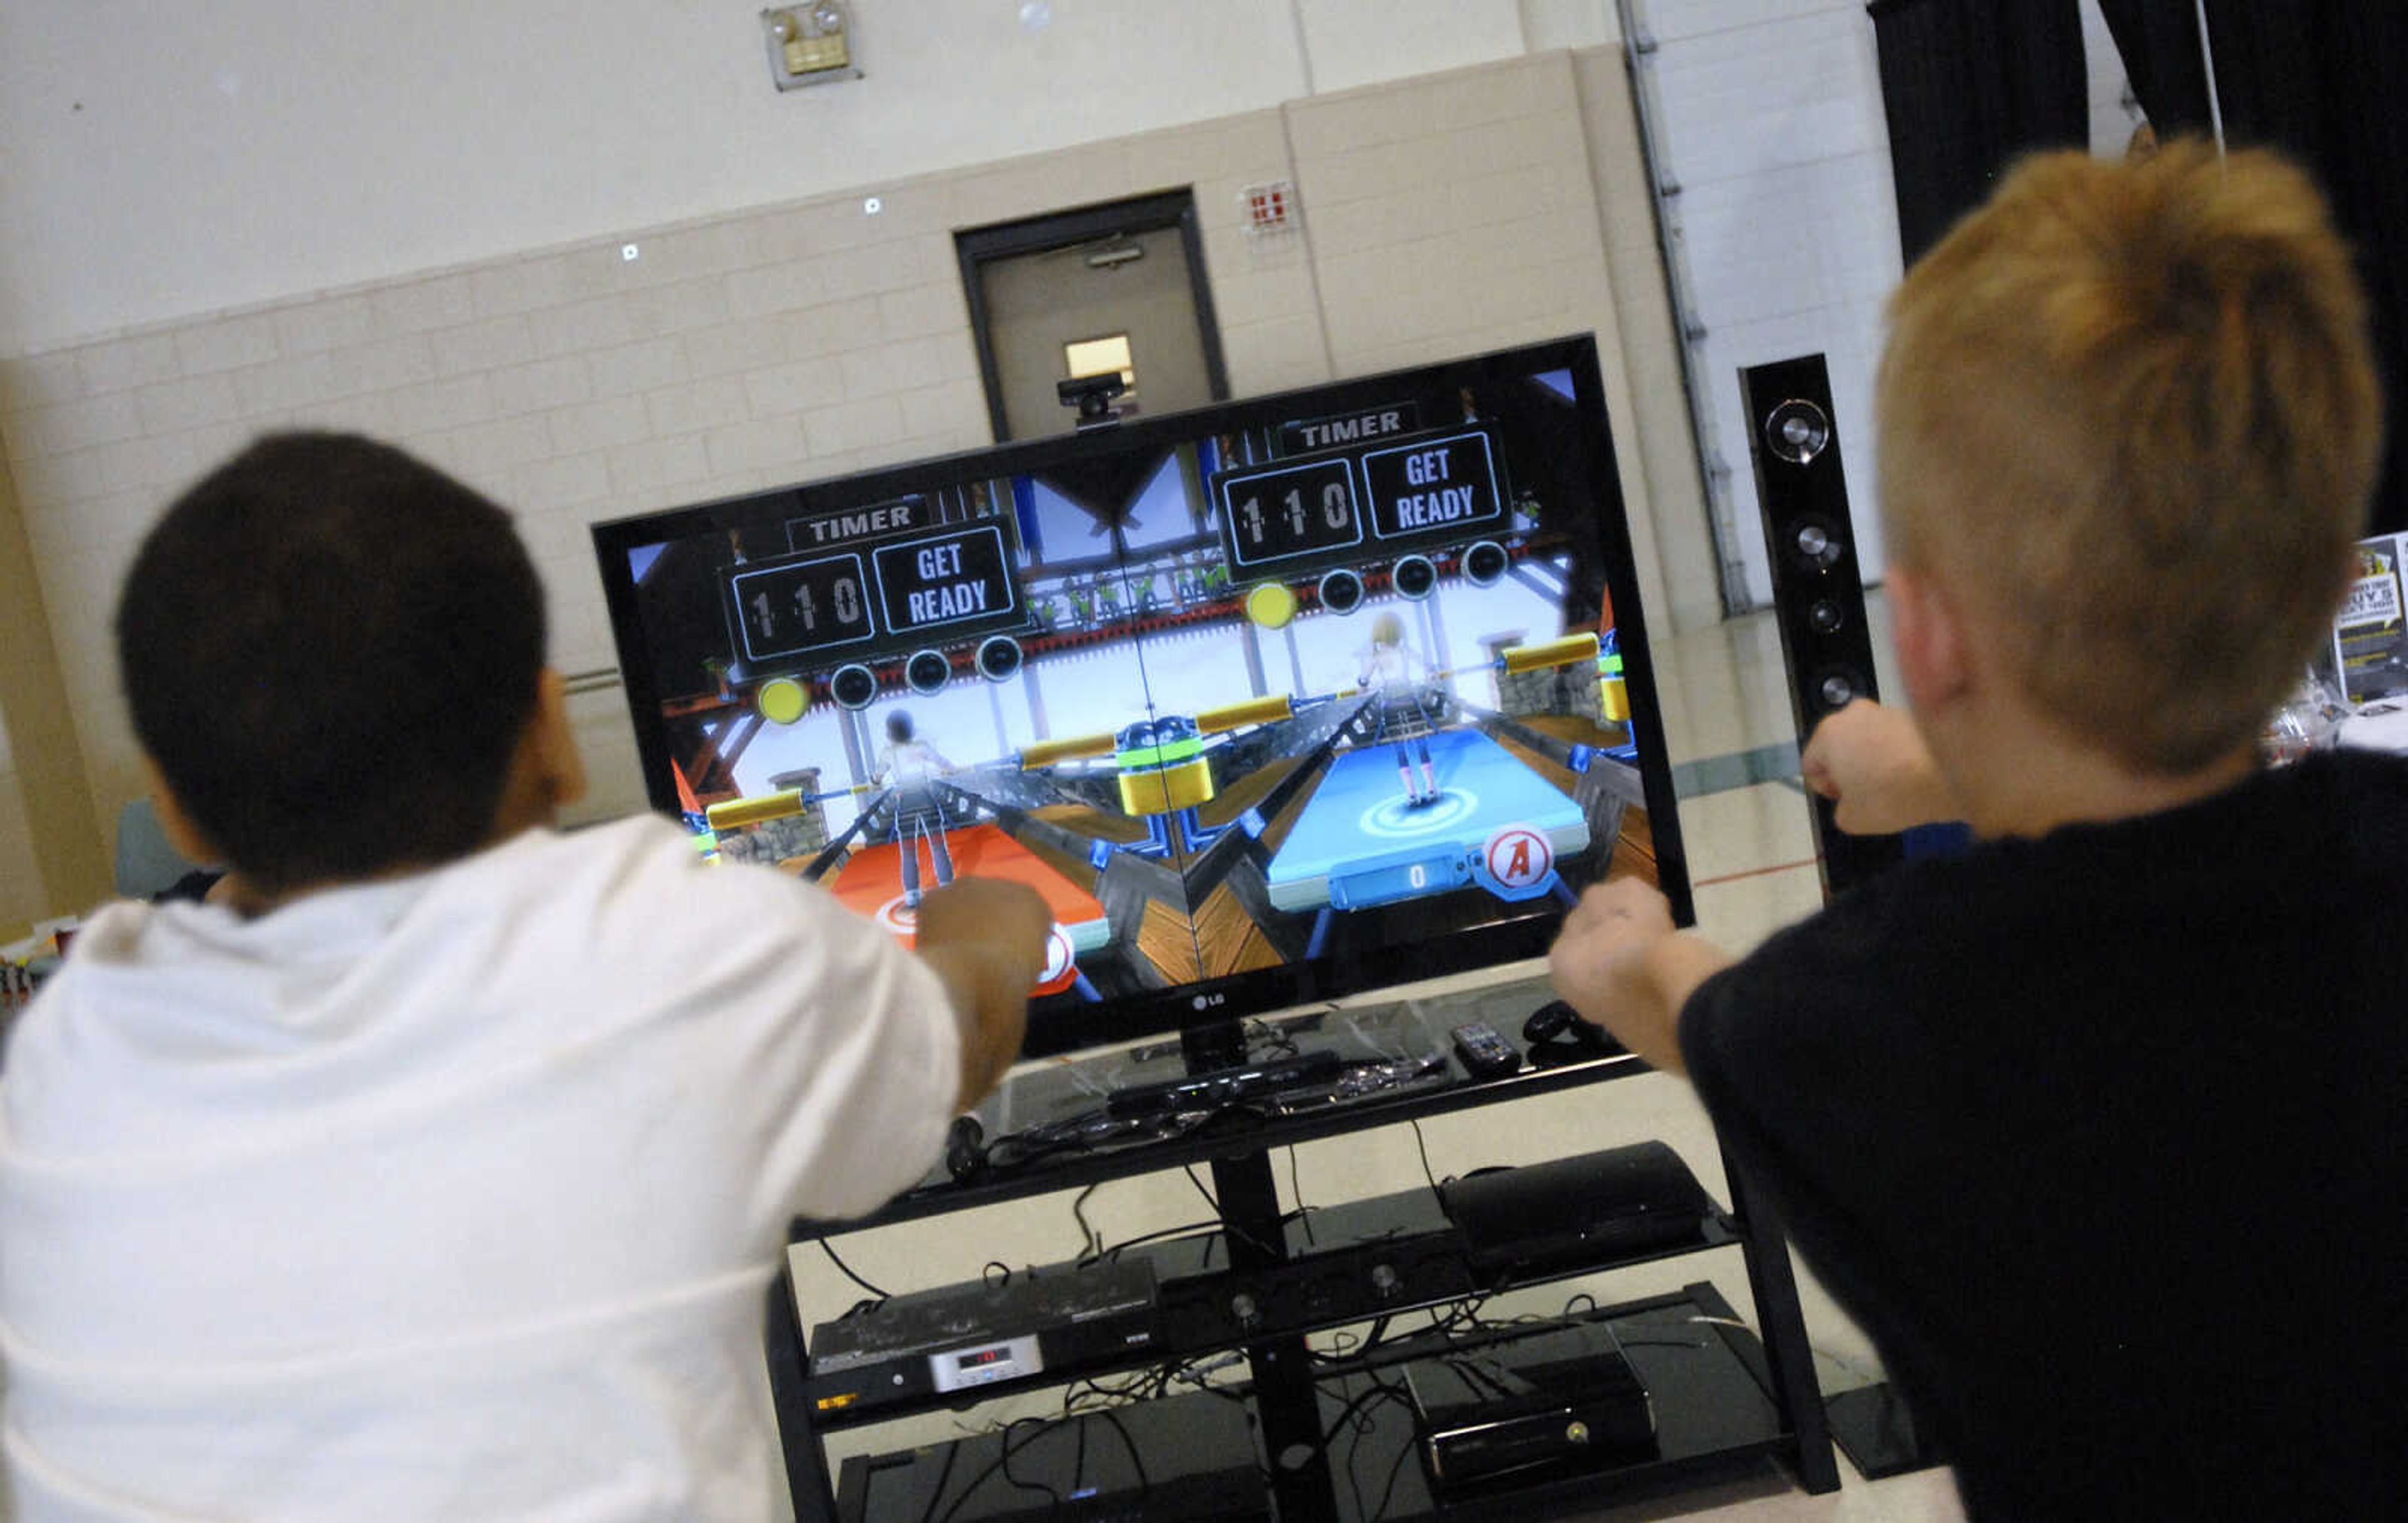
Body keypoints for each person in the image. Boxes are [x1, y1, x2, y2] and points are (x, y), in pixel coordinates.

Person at [1548, 142, 2404, 1517]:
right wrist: (1948, 767)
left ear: (1929, 636)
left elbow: (1687, 1000)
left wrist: (1623, 948)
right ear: (2325, 585)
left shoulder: (1886, 1016)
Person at [0, 433, 1054, 1522]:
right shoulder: (682, 952)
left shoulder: (66, 1050)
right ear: (556, 732)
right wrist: (987, 923)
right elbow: (961, 1040)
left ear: (171, 806)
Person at [872, 708, 957, 909]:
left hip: (905, 801)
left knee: (908, 850)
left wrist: (874, 782)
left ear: (890, 732)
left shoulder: (887, 752)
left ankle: (912, 894)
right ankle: (947, 887)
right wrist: (952, 769)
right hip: (925, 797)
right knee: (937, 844)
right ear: (911, 729)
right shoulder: (922, 746)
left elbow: (877, 778)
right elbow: (943, 763)